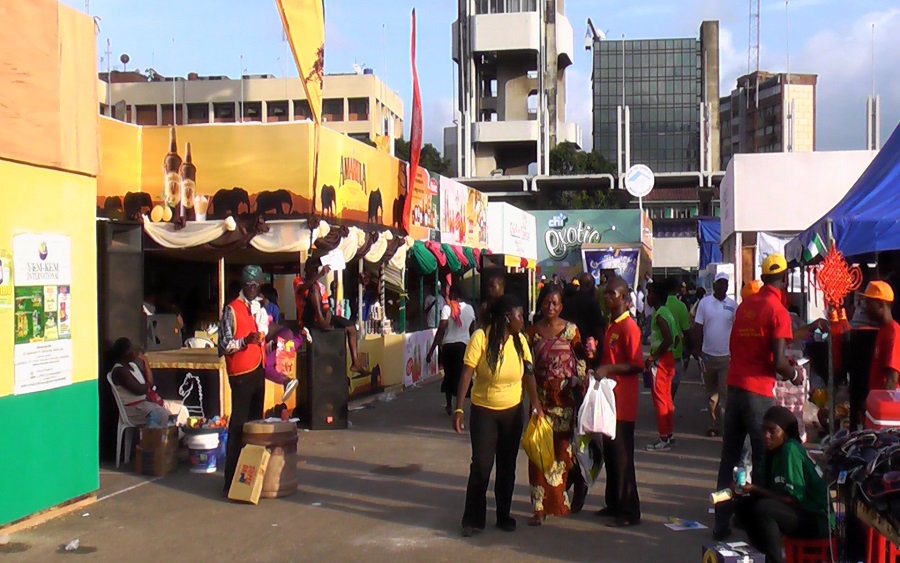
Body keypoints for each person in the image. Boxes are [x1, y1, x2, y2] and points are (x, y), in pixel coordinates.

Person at [714, 253, 803, 540]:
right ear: (784, 279)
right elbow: (778, 362)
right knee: (765, 461)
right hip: (758, 394)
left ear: (762, 277)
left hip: (735, 388)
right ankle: (758, 525)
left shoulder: (745, 306)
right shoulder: (776, 310)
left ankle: (721, 522)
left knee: (729, 459)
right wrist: (796, 375)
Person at [453, 295, 542, 537]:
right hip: (484, 412)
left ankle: (504, 514)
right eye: (520, 315)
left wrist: (535, 403)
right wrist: (459, 408)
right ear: (507, 318)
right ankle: (472, 519)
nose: (523, 320)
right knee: (481, 466)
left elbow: (530, 374)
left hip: (512, 413)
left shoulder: (521, 341)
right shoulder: (480, 338)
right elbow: (465, 375)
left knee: (507, 466)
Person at [733, 406, 830, 563]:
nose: (766, 435)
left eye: (772, 431)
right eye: (763, 430)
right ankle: (760, 556)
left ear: (785, 432)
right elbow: (765, 489)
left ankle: (773, 560)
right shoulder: (771, 451)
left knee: (764, 509)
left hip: (815, 517)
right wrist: (744, 489)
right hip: (794, 510)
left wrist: (755, 489)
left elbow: (792, 499)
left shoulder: (790, 449)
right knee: (743, 506)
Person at [525, 287, 586, 525]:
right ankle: (538, 508)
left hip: (565, 402)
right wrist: (532, 401)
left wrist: (580, 387)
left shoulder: (571, 331)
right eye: (547, 303)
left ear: (561, 306)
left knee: (562, 455)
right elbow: (527, 368)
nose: (551, 307)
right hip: (540, 401)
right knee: (538, 453)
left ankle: (559, 501)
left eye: (555, 303)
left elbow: (581, 361)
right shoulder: (532, 332)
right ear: (541, 305)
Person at [593, 276, 644, 527]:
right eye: (606, 293)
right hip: (608, 401)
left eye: (612, 294)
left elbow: (637, 364)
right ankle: (613, 503)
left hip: (623, 403)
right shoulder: (611, 325)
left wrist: (608, 368)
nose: (607, 297)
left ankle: (629, 510)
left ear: (624, 298)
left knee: (623, 457)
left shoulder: (629, 327)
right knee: (611, 455)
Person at [220, 265, 268, 493]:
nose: (252, 288)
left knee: (255, 427)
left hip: (258, 370)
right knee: (238, 427)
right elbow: (224, 344)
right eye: (249, 284)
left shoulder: (257, 307)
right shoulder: (231, 309)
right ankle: (231, 481)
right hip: (241, 374)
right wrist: (244, 342)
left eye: (256, 285)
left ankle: (250, 481)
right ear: (243, 285)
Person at [299, 259, 368, 374]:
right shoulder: (299, 281)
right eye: (312, 269)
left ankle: (355, 362)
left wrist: (328, 317)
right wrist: (320, 274)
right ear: (306, 270)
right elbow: (302, 290)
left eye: (316, 269)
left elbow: (326, 307)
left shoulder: (321, 286)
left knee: (351, 328)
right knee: (313, 289)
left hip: (322, 315)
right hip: (308, 316)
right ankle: (321, 322)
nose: (315, 271)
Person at [692, 273, 737, 437]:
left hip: (726, 357)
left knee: (724, 393)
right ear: (714, 284)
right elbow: (697, 327)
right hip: (708, 356)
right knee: (711, 395)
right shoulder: (705, 303)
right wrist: (696, 350)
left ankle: (725, 428)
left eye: (725, 283)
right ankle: (713, 424)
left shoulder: (733, 305)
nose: (723, 286)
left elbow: (737, 329)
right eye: (720, 283)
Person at [108, 337, 187, 426]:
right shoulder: (119, 371)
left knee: (182, 410)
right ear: (126, 353)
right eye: (132, 350)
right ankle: (154, 438)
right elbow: (140, 390)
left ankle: (175, 436)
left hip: (147, 403)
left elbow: (150, 383)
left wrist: (145, 361)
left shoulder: (132, 365)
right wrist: (148, 386)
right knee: (162, 414)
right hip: (135, 409)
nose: (135, 352)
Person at [427, 285, 477, 415]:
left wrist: (432, 350)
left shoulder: (447, 309)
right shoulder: (470, 309)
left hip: (448, 347)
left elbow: (441, 330)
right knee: (463, 375)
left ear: (453, 295)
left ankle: (449, 404)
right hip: (463, 347)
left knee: (449, 375)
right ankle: (462, 404)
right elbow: (472, 331)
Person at [645, 281, 679, 452]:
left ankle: (663, 437)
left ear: (657, 295)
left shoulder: (659, 315)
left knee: (660, 400)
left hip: (661, 361)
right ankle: (669, 434)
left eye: (650, 292)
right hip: (669, 359)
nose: (647, 296)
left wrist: (653, 356)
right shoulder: (667, 313)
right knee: (666, 398)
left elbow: (668, 339)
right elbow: (677, 338)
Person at [863, 281, 900, 393]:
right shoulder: (884, 330)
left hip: (886, 405)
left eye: (869, 303)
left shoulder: (893, 331)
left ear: (880, 304)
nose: (865, 307)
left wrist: (880, 407)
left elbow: (892, 380)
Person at [665, 278, 692, 398]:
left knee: (662, 380)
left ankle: (665, 400)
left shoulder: (660, 304)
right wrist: (690, 348)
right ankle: (670, 399)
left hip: (660, 350)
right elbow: (686, 329)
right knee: (674, 379)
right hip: (676, 350)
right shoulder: (681, 306)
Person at [561, 273, 606, 345]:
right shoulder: (592, 302)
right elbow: (598, 326)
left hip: (571, 342)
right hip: (588, 345)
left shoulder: (569, 301)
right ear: (590, 286)